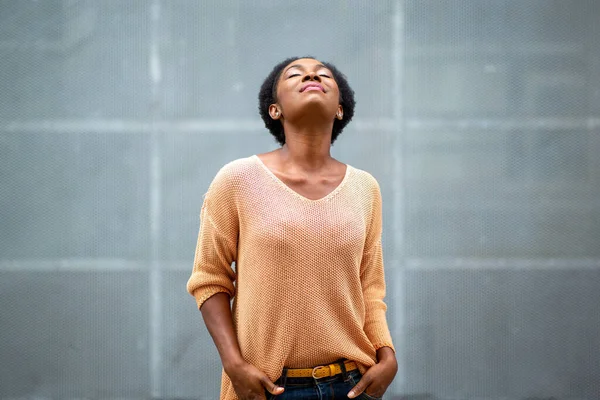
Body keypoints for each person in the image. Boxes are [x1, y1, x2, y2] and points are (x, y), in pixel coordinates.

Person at [186, 56, 397, 400]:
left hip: (351, 385)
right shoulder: (237, 179)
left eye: (323, 74)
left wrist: (387, 354)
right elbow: (209, 279)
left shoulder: (365, 187)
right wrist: (234, 365)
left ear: (340, 109)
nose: (312, 75)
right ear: (274, 110)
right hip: (267, 387)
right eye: (295, 74)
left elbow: (369, 288)